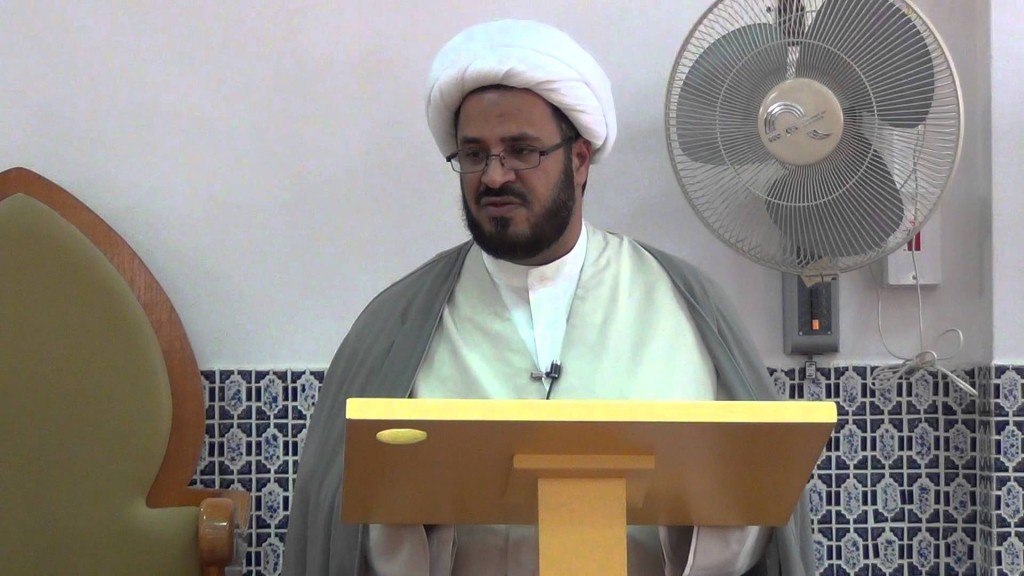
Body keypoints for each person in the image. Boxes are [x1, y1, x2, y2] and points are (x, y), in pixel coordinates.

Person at [283, 19, 815, 576]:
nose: (494, 177)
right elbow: (335, 514)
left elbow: (759, 507)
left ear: (579, 160)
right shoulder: (396, 323)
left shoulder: (686, 305)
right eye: (473, 154)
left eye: (521, 151)